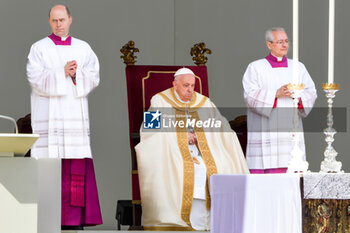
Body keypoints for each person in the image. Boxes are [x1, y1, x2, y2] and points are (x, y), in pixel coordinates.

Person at [135, 68, 249, 231]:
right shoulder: (159, 101)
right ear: (175, 84)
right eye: (185, 85)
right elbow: (150, 130)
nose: (190, 90)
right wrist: (180, 136)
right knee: (184, 169)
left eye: (192, 86)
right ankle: (177, 222)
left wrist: (203, 135)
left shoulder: (204, 102)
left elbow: (222, 127)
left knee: (218, 167)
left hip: (201, 152)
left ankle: (209, 223)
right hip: (171, 153)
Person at [26, 5, 102, 229]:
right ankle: (47, 220)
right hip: (48, 117)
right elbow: (34, 77)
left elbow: (94, 75)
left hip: (74, 118)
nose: (58, 25)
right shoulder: (39, 48)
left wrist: (76, 72)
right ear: (49, 21)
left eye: (62, 20)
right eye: (54, 21)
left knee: (75, 167)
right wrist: (62, 72)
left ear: (70, 19)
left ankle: (74, 221)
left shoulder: (83, 47)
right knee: (49, 167)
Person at [242, 27, 317, 174]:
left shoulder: (298, 67)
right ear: (269, 45)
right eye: (280, 42)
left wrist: (299, 97)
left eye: (286, 41)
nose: (284, 45)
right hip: (266, 130)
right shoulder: (256, 67)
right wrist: (275, 94)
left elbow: (311, 92)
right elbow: (250, 95)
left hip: (290, 129)